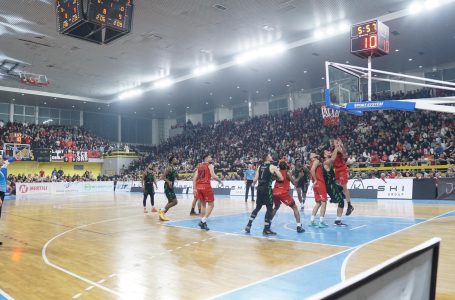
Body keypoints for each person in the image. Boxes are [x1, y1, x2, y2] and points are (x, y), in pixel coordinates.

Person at [245, 153, 284, 236]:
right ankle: (266, 229)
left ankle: (249, 224)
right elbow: (281, 178)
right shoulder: (272, 167)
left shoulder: (259, 167)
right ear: (267, 158)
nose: (271, 157)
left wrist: (255, 185)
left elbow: (255, 179)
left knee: (257, 208)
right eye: (270, 156)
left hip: (259, 189)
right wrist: (273, 178)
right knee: (269, 208)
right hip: (267, 189)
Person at [271, 159, 305, 233]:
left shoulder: (277, 172)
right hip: (282, 192)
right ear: (286, 166)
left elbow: (272, 178)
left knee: (276, 207)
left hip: (274, 192)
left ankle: (268, 223)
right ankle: (299, 226)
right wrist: (300, 176)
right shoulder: (288, 173)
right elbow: (295, 183)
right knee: (295, 208)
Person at [193, 154, 223, 231]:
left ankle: (204, 224)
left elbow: (194, 178)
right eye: (210, 157)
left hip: (199, 186)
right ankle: (203, 221)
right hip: (206, 186)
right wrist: (220, 181)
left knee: (203, 205)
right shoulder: (210, 165)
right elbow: (213, 176)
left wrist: (194, 188)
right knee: (211, 205)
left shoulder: (199, 166)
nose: (211, 158)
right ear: (206, 159)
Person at [323, 148, 348, 226]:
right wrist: (337, 148)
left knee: (341, 188)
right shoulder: (327, 162)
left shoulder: (328, 162)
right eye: (326, 151)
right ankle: (338, 221)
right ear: (324, 155)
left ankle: (333, 199)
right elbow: (333, 158)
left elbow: (339, 160)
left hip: (332, 184)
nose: (328, 151)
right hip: (330, 185)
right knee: (341, 202)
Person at [0, 154, 19, 246]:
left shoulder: (2, 167)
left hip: (2, 193)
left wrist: (15, 157)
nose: (3, 160)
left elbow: (9, 161)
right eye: (1, 159)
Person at [332, 139, 354, 216]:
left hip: (342, 170)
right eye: (335, 142)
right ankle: (339, 196)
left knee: (344, 187)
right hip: (336, 171)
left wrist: (342, 145)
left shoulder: (338, 149)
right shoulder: (333, 150)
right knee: (337, 186)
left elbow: (344, 154)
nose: (335, 142)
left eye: (336, 142)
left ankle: (349, 205)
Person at [309, 152, 328, 228]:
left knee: (318, 203)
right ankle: (321, 222)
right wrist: (316, 180)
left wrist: (314, 181)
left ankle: (312, 221)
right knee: (324, 202)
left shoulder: (312, 162)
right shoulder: (316, 161)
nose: (314, 153)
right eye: (312, 153)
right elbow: (312, 170)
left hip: (315, 185)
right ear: (311, 157)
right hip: (319, 183)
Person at [159, 156, 179, 221]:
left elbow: (178, 178)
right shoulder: (168, 168)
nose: (176, 160)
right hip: (167, 187)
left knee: (170, 201)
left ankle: (162, 215)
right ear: (171, 161)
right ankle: (162, 211)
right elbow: (162, 177)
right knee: (175, 202)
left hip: (171, 187)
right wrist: (169, 181)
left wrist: (192, 174)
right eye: (175, 159)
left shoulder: (174, 169)